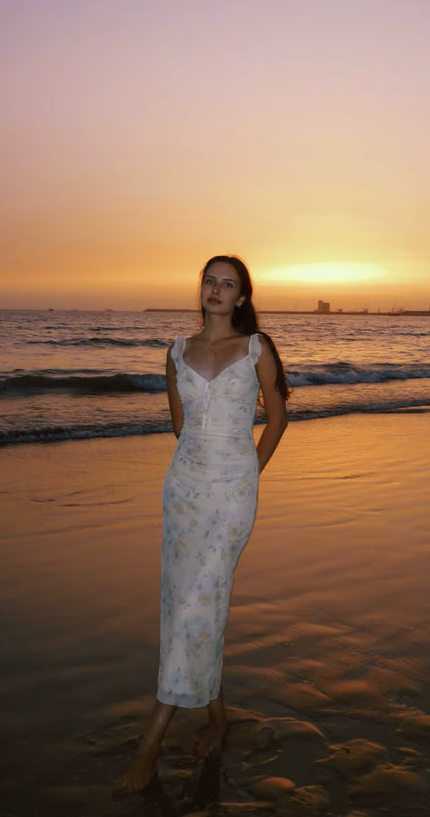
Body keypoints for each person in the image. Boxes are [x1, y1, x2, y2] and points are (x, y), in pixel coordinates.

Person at [119, 255, 289, 792]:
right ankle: (218, 718)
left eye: (227, 284)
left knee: (197, 602)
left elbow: (278, 416)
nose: (216, 290)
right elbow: (180, 424)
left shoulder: (257, 348)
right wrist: (199, 468)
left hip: (234, 493)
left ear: (242, 297)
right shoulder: (175, 352)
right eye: (209, 281)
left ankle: (150, 746)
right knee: (186, 602)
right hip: (183, 492)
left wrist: (247, 474)